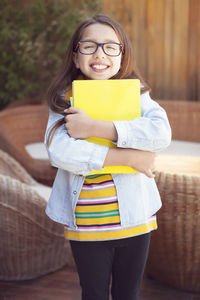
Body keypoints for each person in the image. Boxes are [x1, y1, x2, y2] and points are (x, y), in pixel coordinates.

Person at [44, 14, 171, 300]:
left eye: (110, 47)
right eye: (89, 46)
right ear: (76, 57)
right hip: (87, 224)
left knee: (129, 293)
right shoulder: (64, 99)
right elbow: (60, 152)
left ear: (122, 55)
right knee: (94, 293)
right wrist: (130, 159)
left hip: (136, 218)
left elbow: (160, 133)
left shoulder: (138, 94)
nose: (100, 53)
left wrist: (95, 128)